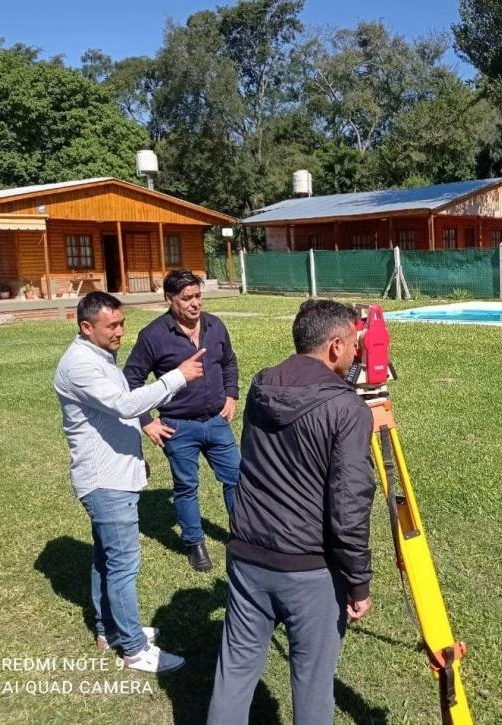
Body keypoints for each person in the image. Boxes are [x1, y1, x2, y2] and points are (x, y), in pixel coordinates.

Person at [208, 299, 376, 725]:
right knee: (313, 682)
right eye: (355, 344)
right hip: (308, 570)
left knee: (235, 671)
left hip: (247, 554)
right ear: (336, 346)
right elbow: (350, 505)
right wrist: (358, 581)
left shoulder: (262, 384)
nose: (358, 353)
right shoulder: (348, 409)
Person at [54, 291, 206, 673]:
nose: (121, 331)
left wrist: (135, 460)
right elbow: (125, 405)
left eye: (122, 323)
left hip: (115, 473)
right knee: (123, 564)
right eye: (113, 326)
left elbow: (116, 413)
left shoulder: (99, 356)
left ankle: (109, 630)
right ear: (86, 327)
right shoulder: (80, 366)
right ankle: (134, 650)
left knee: (106, 557)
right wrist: (177, 377)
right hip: (104, 481)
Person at [123, 270, 241, 573]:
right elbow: (131, 380)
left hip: (217, 420)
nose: (194, 303)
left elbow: (229, 361)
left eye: (198, 296)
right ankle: (194, 543)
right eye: (186, 298)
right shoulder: (153, 336)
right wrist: (146, 420)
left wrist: (231, 395)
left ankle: (243, 535)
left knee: (237, 478)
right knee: (186, 486)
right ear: (169, 299)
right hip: (178, 425)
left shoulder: (215, 326)